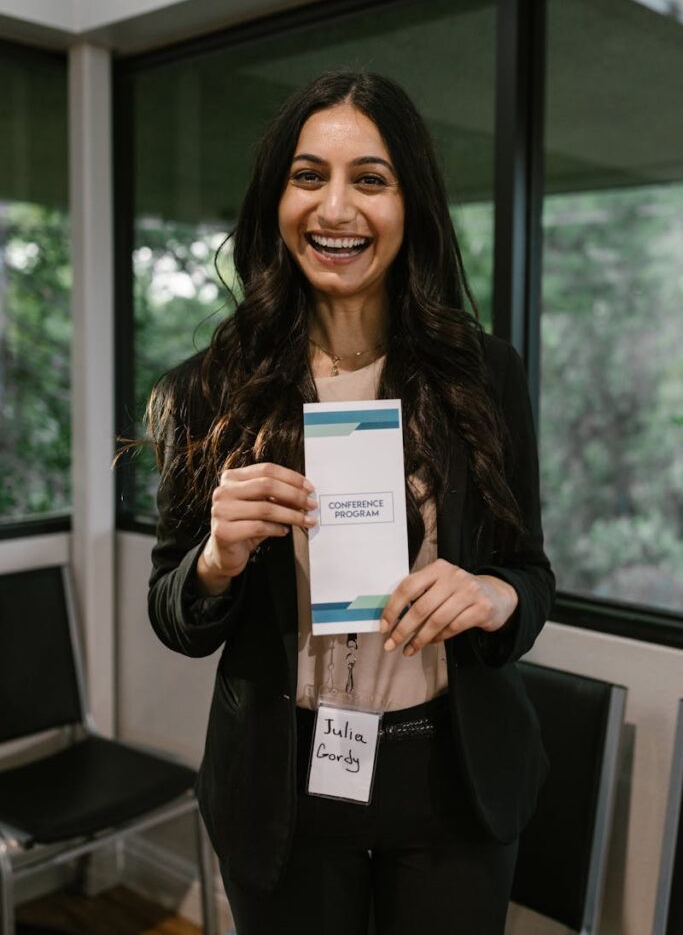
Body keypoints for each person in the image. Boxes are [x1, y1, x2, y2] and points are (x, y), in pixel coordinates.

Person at [146, 70, 555, 935]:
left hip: (453, 779)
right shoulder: (206, 390)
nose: (336, 209)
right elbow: (174, 614)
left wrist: (493, 595)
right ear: (276, 200)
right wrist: (215, 561)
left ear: (411, 205)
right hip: (283, 790)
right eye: (308, 176)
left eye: (369, 179)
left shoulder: (486, 375)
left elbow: (529, 570)